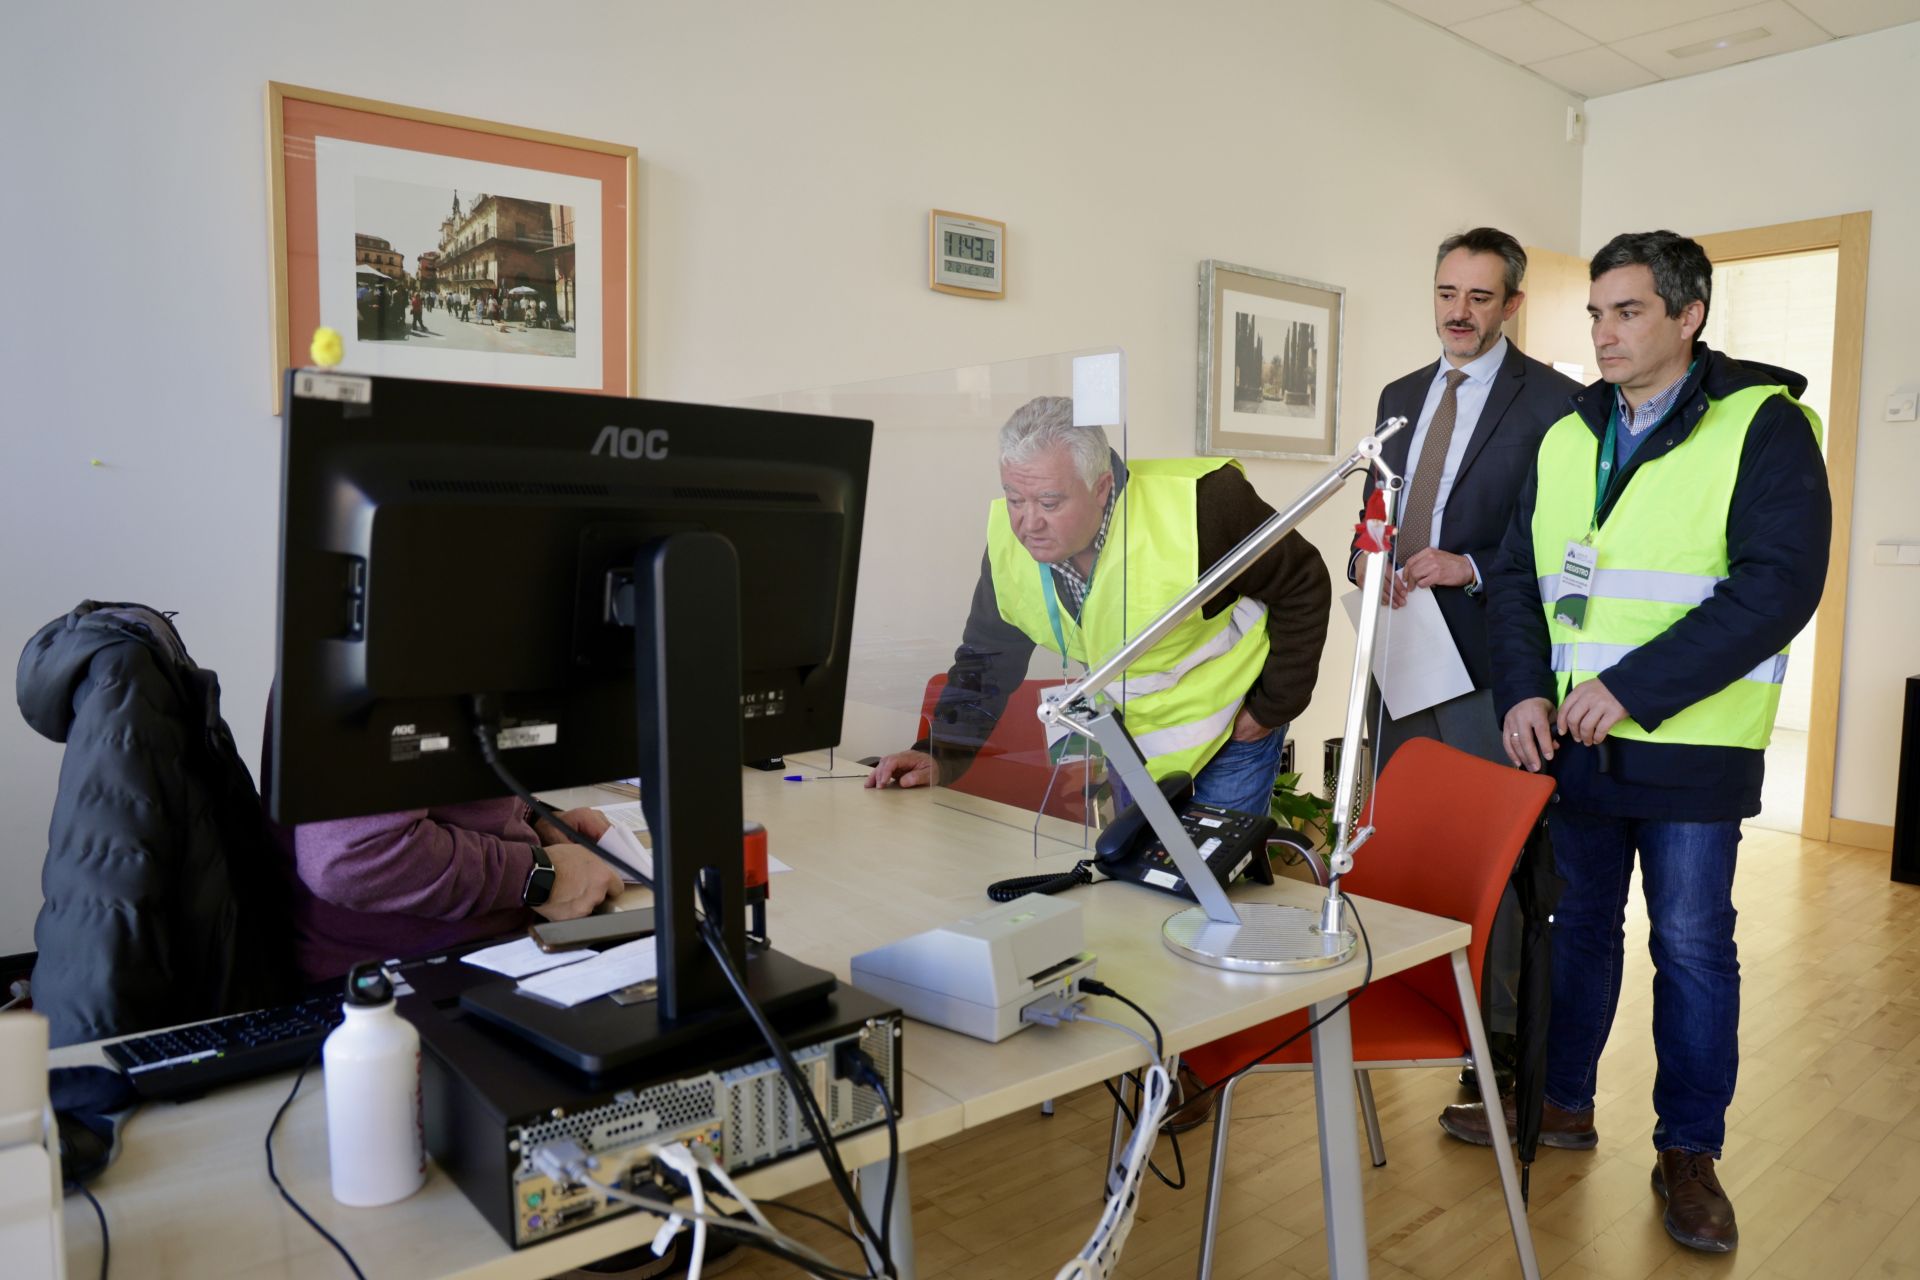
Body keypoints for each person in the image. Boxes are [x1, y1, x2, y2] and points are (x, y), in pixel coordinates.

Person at [1440, 230, 1831, 1254]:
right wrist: (1524, 688)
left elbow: (1775, 587)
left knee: (1693, 948)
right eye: (1597, 314)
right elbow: (1522, 578)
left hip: (1691, 747)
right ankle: (1563, 1099)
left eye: (1628, 313)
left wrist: (1629, 686)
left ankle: (1689, 1152)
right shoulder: (1569, 433)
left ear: (1687, 316)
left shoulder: (1765, 425)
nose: (1605, 333)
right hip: (1572, 745)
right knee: (1579, 931)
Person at [865, 395, 1331, 829]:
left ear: (1102, 487)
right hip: (1129, 736)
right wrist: (938, 752)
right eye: (1014, 499)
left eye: (1049, 502)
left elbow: (1303, 582)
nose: (1028, 522)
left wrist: (1272, 708)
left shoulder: (1202, 504)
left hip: (1231, 726)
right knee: (1143, 888)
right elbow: (986, 659)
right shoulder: (1010, 545)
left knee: (1214, 888)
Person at [1354, 228, 1581, 764]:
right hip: (1396, 642)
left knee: (1490, 824)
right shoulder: (1399, 393)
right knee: (1401, 815)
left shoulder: (1558, 401)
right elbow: (1376, 503)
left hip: (1489, 650)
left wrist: (1472, 567)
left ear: (1511, 304)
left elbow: (1570, 538)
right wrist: (1364, 557)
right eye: (1446, 293)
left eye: (1479, 298)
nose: (1459, 312)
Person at [271, 793, 626, 984]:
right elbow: (352, 858)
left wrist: (534, 825)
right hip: (398, 981)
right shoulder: (389, 660)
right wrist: (537, 876)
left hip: (483, 948)